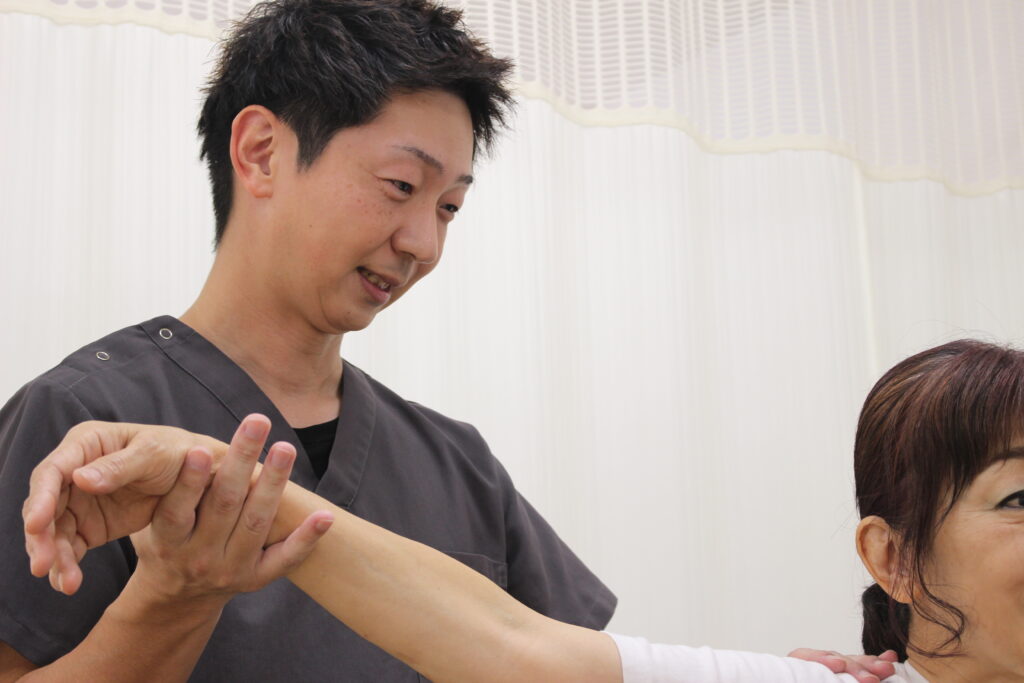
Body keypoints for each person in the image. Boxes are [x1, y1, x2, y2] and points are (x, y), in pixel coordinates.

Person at [0, 1, 617, 679]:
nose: (424, 243)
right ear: (261, 153)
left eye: (449, 208)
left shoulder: (458, 466)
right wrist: (174, 599)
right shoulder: (86, 421)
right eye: (401, 185)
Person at [27, 341, 1006, 681]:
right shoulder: (81, 398)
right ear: (891, 556)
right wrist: (207, 470)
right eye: (1020, 495)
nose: (421, 238)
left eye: (450, 201)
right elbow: (514, 647)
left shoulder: (446, 452)